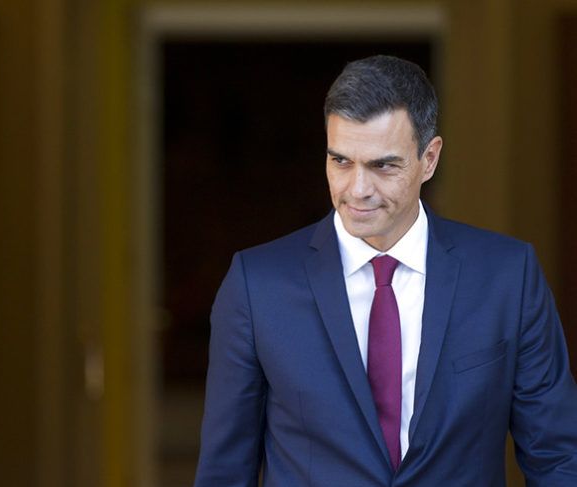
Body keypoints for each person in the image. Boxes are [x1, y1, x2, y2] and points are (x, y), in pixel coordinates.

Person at [193, 55, 577, 486]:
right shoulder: (255, 284)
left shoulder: (508, 276)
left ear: (429, 159)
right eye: (341, 161)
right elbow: (225, 471)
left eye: (383, 165)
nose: (358, 189)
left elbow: (557, 458)